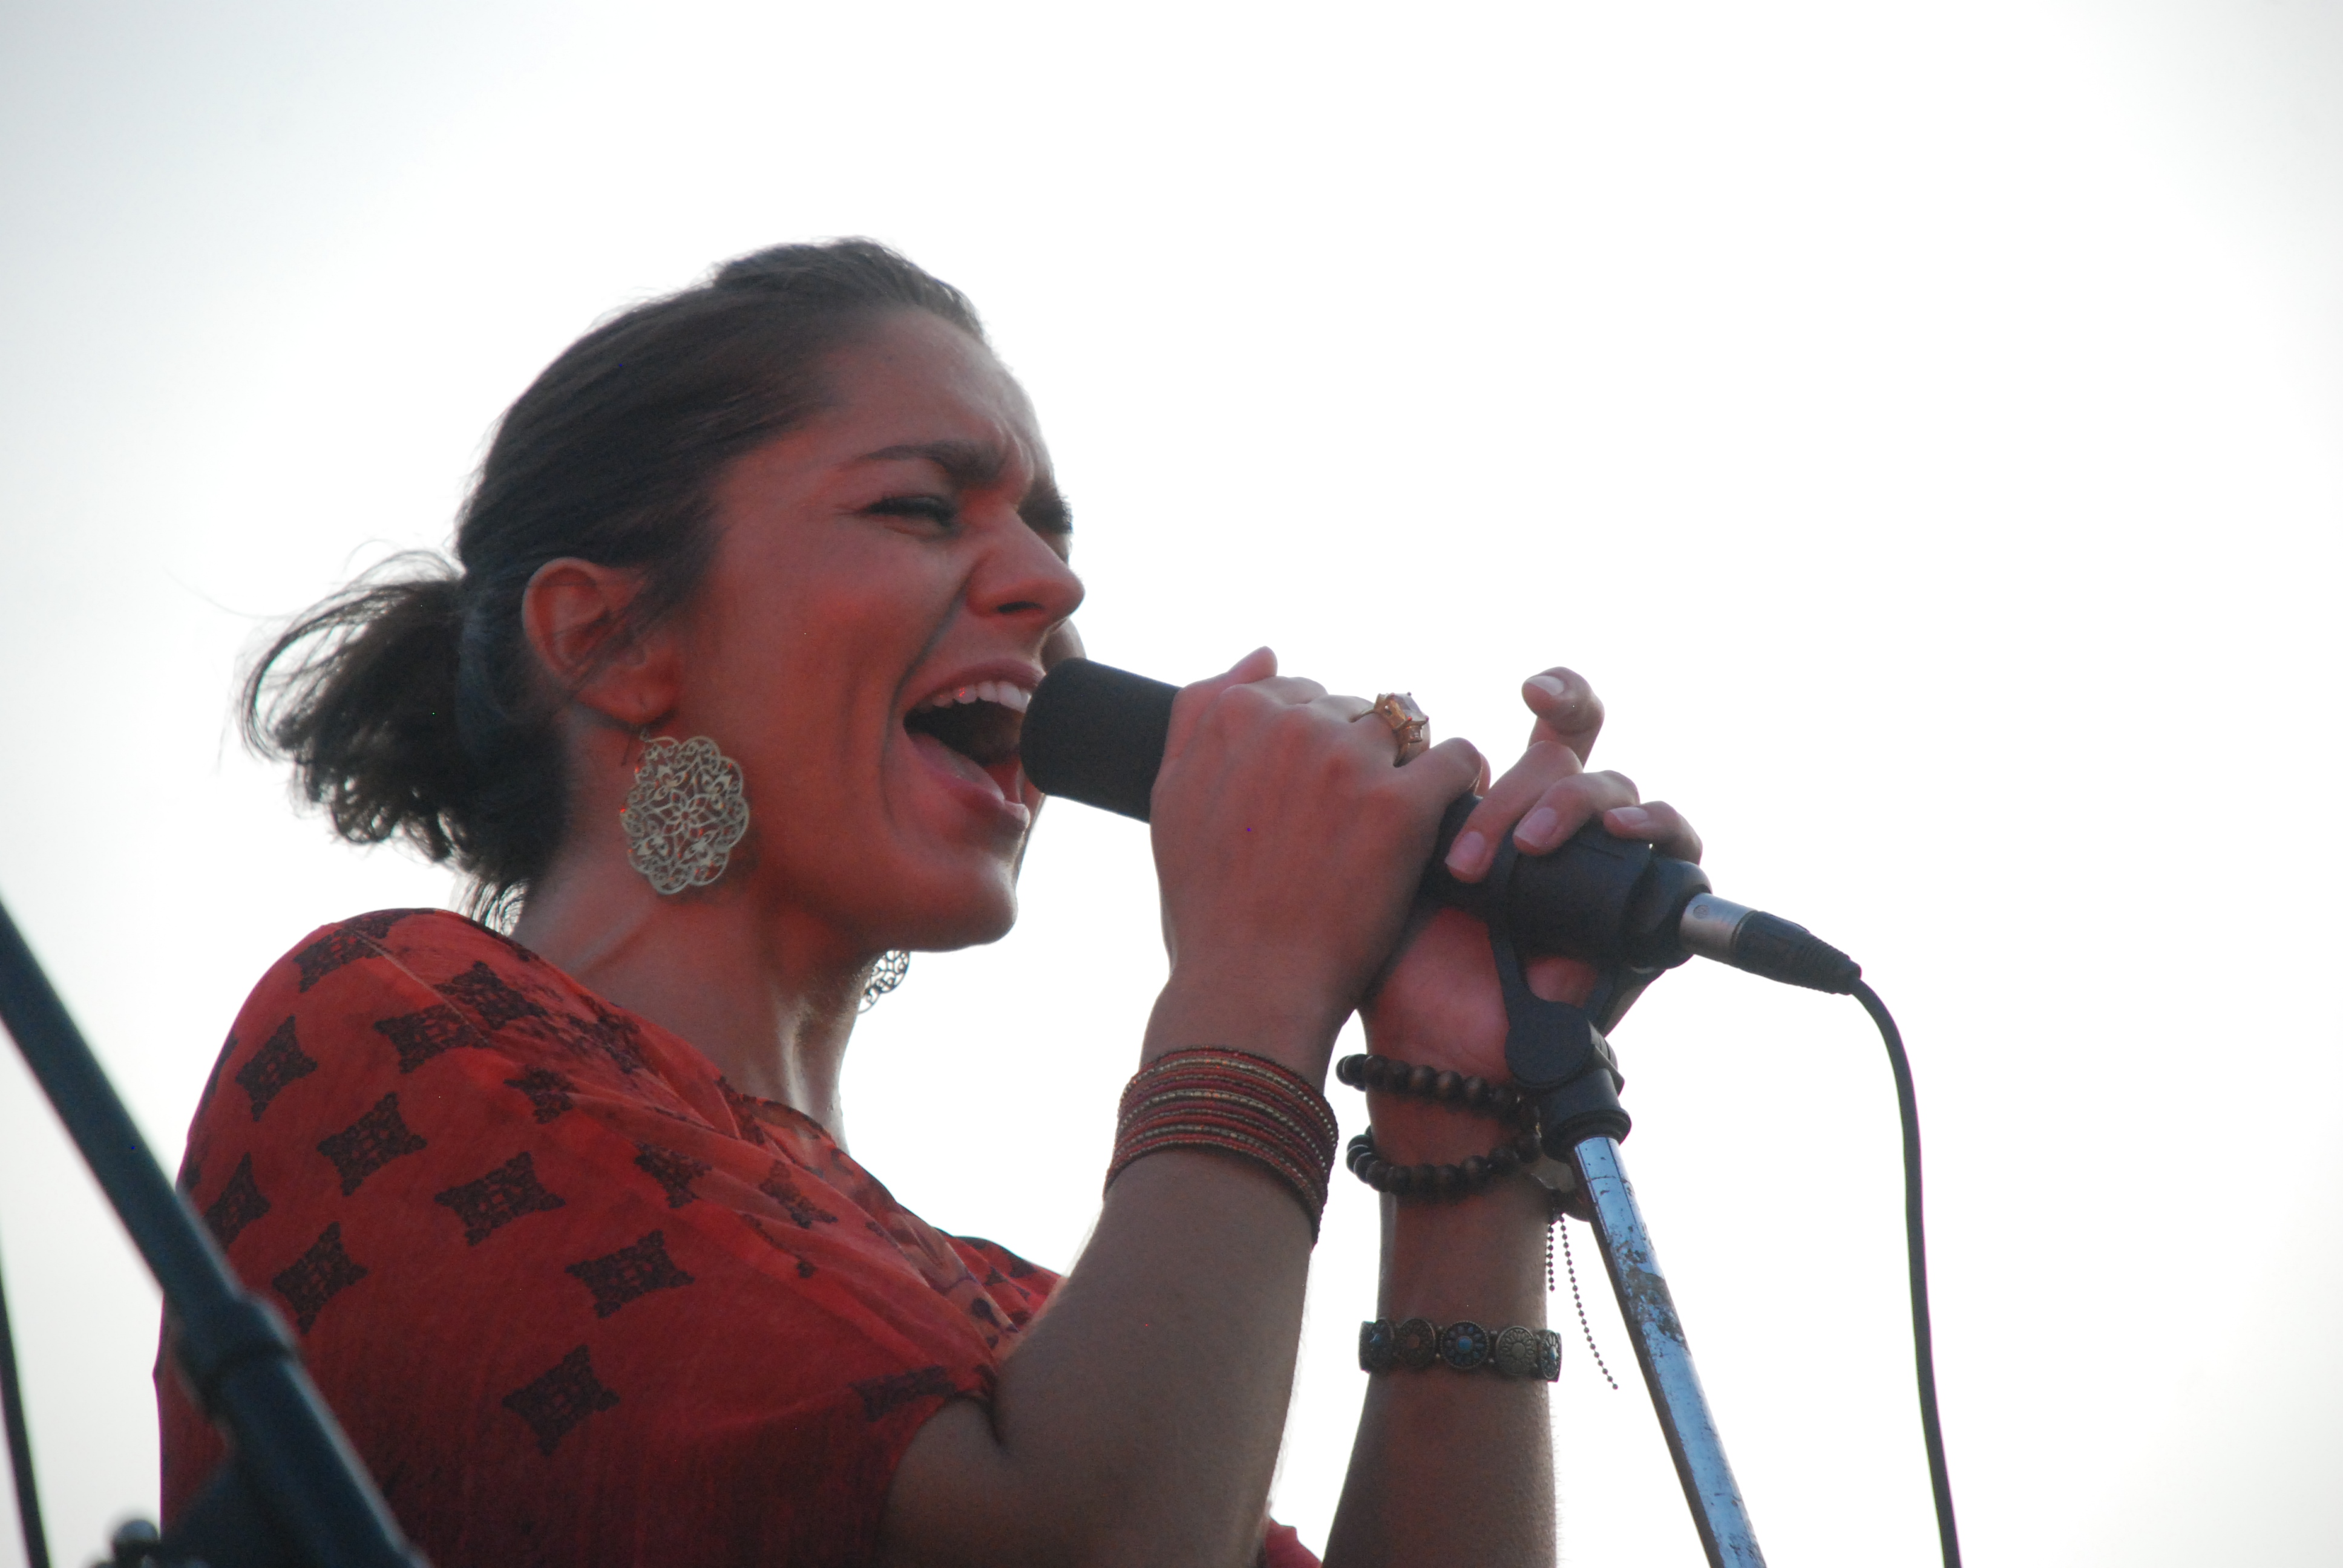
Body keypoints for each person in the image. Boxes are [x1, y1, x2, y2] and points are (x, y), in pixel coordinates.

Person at [160, 240, 1702, 1567]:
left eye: (1049, 531)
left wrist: (1460, 1127)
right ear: (611, 642)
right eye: (919, 509)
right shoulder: (391, 1032)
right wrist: (1258, 980)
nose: (1050, 586)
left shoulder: (1017, 1328)